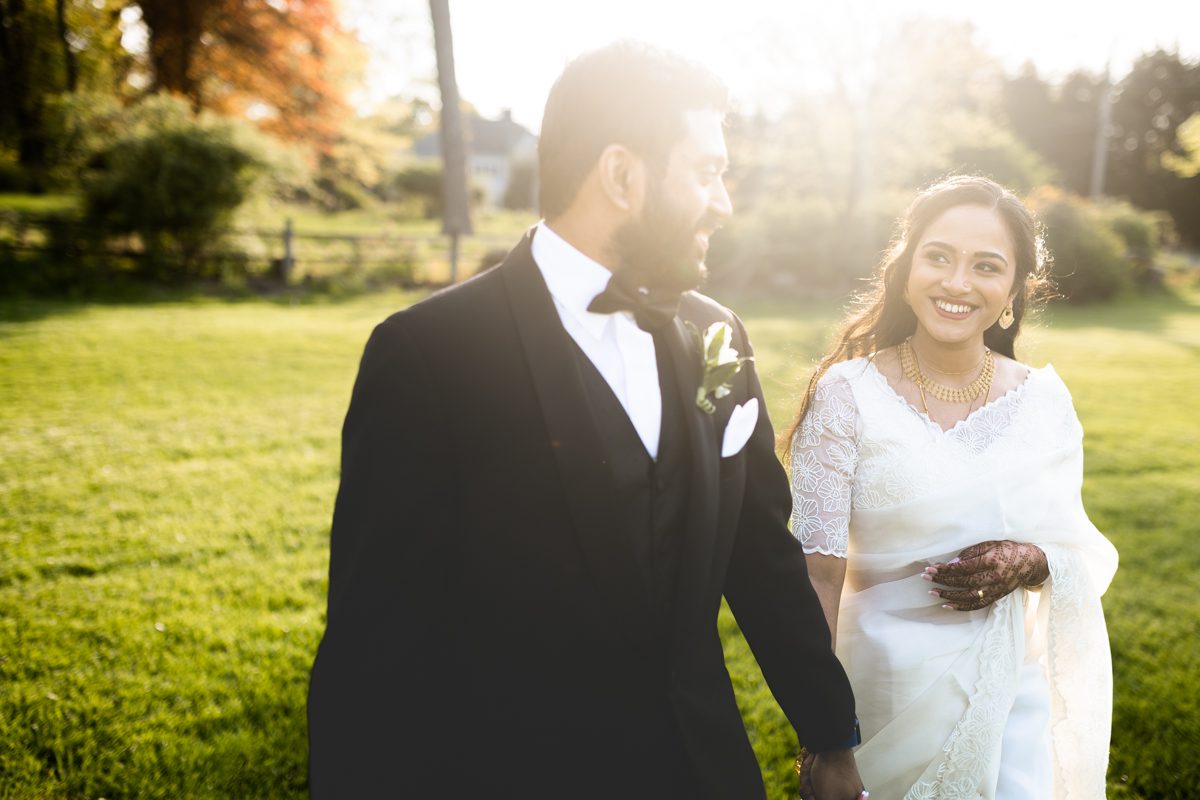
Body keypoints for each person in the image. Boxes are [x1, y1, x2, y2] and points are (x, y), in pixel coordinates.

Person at [307, 41, 866, 799]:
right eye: (707, 172)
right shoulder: (427, 356)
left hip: (706, 770)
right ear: (622, 175)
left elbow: (760, 554)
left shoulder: (715, 337)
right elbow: (376, 646)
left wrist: (829, 735)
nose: (724, 202)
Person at [788, 175, 1118, 798]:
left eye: (986, 266)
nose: (958, 283)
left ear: (1014, 292)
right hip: (879, 694)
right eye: (938, 256)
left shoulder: (1043, 402)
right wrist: (825, 737)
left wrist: (1033, 560)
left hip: (1010, 692)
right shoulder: (846, 395)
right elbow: (819, 573)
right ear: (906, 267)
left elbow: (1075, 549)